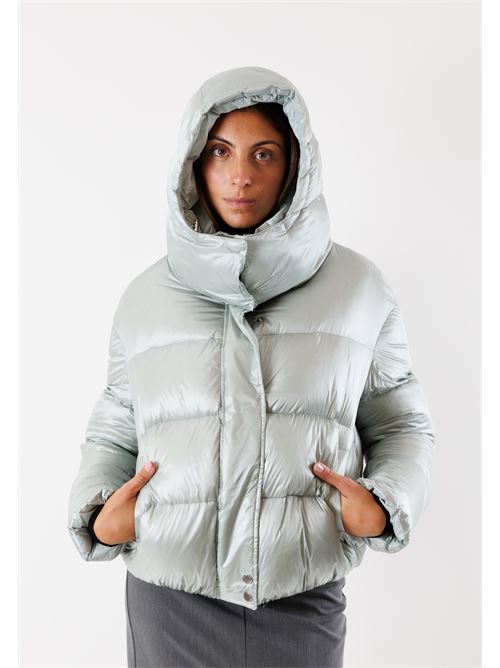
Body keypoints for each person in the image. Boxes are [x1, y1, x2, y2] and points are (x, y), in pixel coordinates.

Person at [67, 66, 435, 668]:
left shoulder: (359, 288)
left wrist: (385, 501)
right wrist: (99, 512)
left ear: (295, 165)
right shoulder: (146, 297)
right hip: (169, 591)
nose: (241, 175)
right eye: (220, 151)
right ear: (193, 163)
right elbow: (114, 427)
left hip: (301, 588)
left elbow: (402, 424)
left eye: (264, 154)